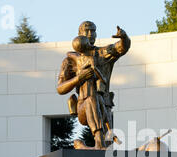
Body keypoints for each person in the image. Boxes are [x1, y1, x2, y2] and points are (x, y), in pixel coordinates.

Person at [56, 21, 130, 149]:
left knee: (108, 149)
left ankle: (98, 145)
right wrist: (78, 78)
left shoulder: (103, 53)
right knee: (91, 100)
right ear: (80, 34)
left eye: (93, 30)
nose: (90, 34)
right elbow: (60, 88)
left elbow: (121, 48)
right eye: (87, 31)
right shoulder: (70, 60)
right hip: (84, 106)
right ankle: (98, 142)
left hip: (105, 106)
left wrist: (124, 37)